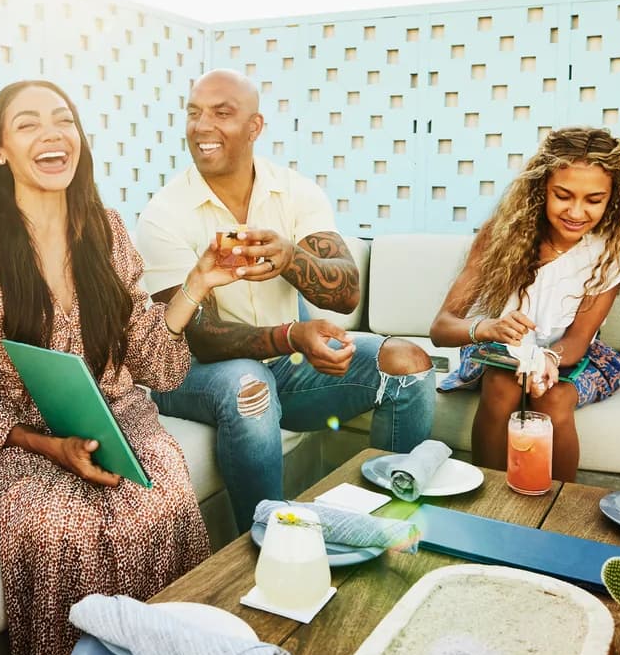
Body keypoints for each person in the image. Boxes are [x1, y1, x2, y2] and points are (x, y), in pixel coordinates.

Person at [0, 79, 237, 655]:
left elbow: (152, 363)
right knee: (60, 526)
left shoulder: (105, 229)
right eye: (28, 123)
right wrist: (52, 447)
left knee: (158, 499)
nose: (52, 134)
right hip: (15, 437)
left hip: (115, 413)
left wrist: (195, 286)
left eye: (63, 119)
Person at [135, 69, 435, 533]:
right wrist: (292, 334)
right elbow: (200, 338)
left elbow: (345, 290)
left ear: (255, 127)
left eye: (222, 113)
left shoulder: (293, 192)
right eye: (194, 113)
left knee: (407, 361)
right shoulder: (164, 214)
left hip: (282, 364)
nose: (201, 126)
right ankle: (267, 543)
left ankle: (384, 525)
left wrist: (290, 258)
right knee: (248, 384)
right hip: (188, 374)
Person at [430, 126, 620, 479]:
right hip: (501, 351)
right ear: (541, 189)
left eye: (594, 200)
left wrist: (548, 360)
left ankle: (558, 512)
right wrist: (488, 327)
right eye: (563, 195)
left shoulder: (615, 247)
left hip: (570, 355)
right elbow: (442, 328)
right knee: (500, 387)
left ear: (613, 197)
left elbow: (578, 340)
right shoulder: (502, 234)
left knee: (551, 400)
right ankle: (490, 506)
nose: (577, 211)